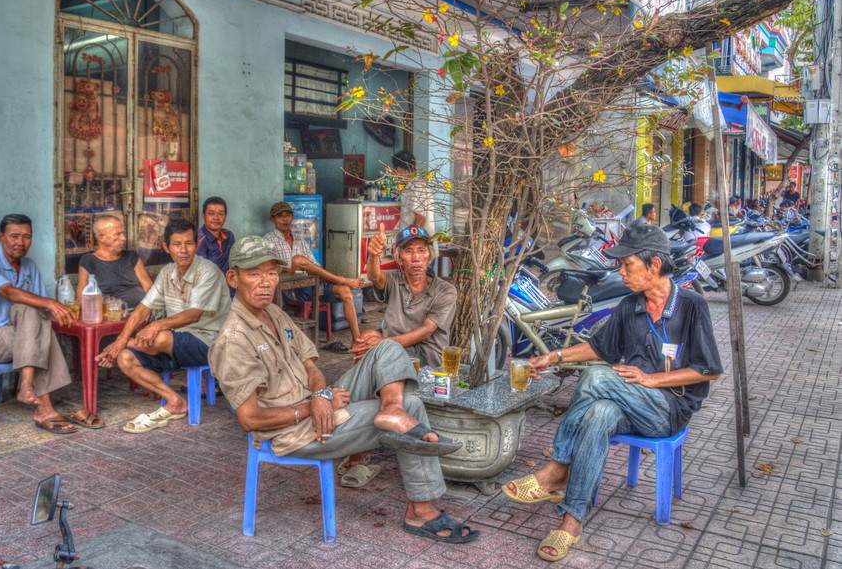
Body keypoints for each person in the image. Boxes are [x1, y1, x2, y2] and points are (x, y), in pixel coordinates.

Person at [208, 236, 480, 544]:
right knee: (414, 405)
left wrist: (322, 394)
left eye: (271, 273)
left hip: (318, 404)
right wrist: (315, 405)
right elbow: (250, 420)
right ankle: (420, 512)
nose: (265, 282)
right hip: (299, 430)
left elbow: (311, 364)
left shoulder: (273, 312)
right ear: (234, 278)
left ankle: (391, 408)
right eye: (254, 274)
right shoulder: (233, 339)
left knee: (386, 348)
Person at [501, 225, 722, 562]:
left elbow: (709, 369)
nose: (621, 271)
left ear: (654, 265)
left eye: (627, 264)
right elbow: (600, 347)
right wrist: (553, 357)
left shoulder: (691, 305)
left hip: (668, 409)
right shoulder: (630, 305)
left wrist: (652, 379)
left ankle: (558, 467)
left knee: (596, 378)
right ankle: (570, 523)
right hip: (627, 403)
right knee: (599, 412)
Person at [96, 218, 231, 433]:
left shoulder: (208, 271)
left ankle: (131, 343)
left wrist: (154, 326)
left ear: (196, 245)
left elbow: (194, 315)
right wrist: (121, 341)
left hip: (210, 341)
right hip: (176, 343)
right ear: (166, 247)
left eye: (188, 243)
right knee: (125, 358)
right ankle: (175, 401)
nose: (183, 250)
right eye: (177, 244)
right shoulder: (167, 272)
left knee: (158, 336)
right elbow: (143, 308)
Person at [0, 214, 85, 434]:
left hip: (19, 338)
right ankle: (40, 403)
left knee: (35, 318)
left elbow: (39, 311)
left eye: (27, 237)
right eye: (14, 236)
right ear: (1, 237)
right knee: (32, 316)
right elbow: (9, 292)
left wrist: (56, 309)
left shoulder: (29, 266)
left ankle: (32, 393)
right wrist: (51, 302)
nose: (21, 242)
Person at [352, 225, 456, 368]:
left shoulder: (445, 290)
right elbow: (375, 276)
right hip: (395, 343)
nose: (416, 258)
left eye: (421, 251)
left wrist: (384, 344)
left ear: (430, 258)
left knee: (378, 352)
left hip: (426, 353)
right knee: (365, 338)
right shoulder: (394, 279)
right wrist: (374, 255)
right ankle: (365, 388)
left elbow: (426, 331)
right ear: (399, 259)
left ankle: (372, 387)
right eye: (408, 251)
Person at [264, 201, 365, 347]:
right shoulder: (268, 240)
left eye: (287, 215)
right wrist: (293, 267)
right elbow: (271, 267)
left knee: (345, 290)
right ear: (272, 220)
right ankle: (342, 279)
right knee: (298, 259)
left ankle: (357, 339)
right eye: (280, 216)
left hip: (311, 285)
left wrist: (314, 272)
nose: (285, 219)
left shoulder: (299, 239)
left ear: (292, 217)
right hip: (290, 289)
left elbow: (314, 265)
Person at [77, 215, 153, 307]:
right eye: (117, 234)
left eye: (122, 233)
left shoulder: (132, 257)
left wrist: (146, 309)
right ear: (102, 237)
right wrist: (108, 312)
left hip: (141, 311)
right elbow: (82, 298)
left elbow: (149, 288)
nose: (123, 238)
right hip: (112, 315)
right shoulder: (89, 261)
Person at [393, 151, 435, 235]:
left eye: (395, 172)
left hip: (417, 243)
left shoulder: (417, 187)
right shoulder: (410, 186)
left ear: (399, 170)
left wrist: (411, 240)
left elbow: (421, 218)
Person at [196, 196, 235, 275]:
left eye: (220, 214)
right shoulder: (198, 239)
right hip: (208, 284)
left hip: (228, 283)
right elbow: (200, 273)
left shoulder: (228, 235)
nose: (216, 217)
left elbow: (234, 262)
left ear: (225, 217)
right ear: (203, 216)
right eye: (211, 213)